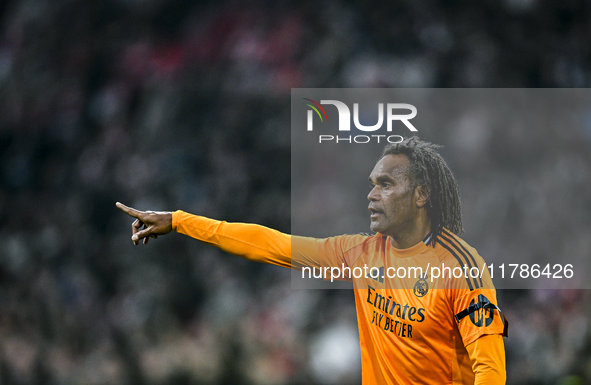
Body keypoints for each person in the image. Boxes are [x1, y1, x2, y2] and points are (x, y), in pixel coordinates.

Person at [116, 136, 507, 384]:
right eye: (371, 185)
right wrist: (181, 221)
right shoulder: (361, 253)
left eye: (385, 185)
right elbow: (269, 243)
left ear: (421, 195)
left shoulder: (461, 269)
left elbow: (490, 367)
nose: (371, 196)